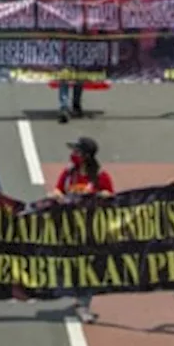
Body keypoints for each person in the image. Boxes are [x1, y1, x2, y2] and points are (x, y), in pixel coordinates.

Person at [49, 136, 114, 321]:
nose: (73, 155)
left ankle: (84, 304)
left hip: (91, 230)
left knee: (88, 268)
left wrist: (102, 196)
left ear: (86, 155)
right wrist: (57, 196)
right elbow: (58, 190)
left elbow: (112, 197)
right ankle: (78, 297)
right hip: (70, 228)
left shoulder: (101, 176)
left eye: (77, 152)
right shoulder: (69, 174)